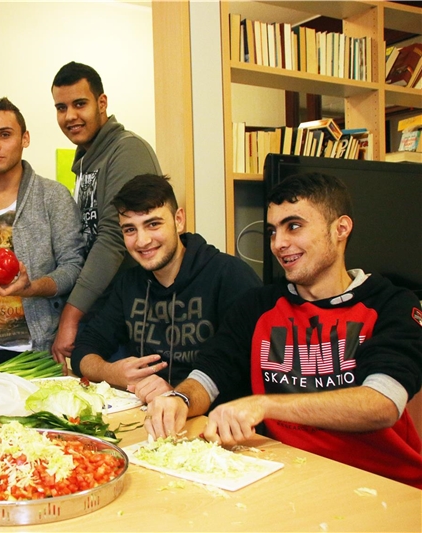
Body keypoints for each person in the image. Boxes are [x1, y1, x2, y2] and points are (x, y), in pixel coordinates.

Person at [145, 172, 422, 488]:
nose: (278, 244)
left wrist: (264, 404)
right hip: (288, 474)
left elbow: (382, 404)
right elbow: (210, 374)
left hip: (384, 483)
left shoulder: (393, 303)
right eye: (273, 231)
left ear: (341, 229)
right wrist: (180, 398)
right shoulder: (258, 305)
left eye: (294, 226)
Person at [71, 174, 261, 399]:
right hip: (147, 415)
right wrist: (112, 372)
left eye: (153, 224)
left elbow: (248, 366)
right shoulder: (129, 284)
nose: (142, 241)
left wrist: (180, 396)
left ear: (179, 220)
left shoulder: (229, 276)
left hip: (211, 421)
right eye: (130, 229)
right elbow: (84, 349)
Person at [0, 98, 84, 368]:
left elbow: (73, 267)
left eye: (5, 135)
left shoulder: (53, 197)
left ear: (25, 139)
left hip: (34, 352)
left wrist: (32, 288)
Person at [49, 61, 163, 364]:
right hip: (100, 310)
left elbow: (112, 238)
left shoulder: (127, 151)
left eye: (79, 104)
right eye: (61, 107)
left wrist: (71, 317)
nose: (70, 116)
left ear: (102, 103)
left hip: (128, 318)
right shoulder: (86, 160)